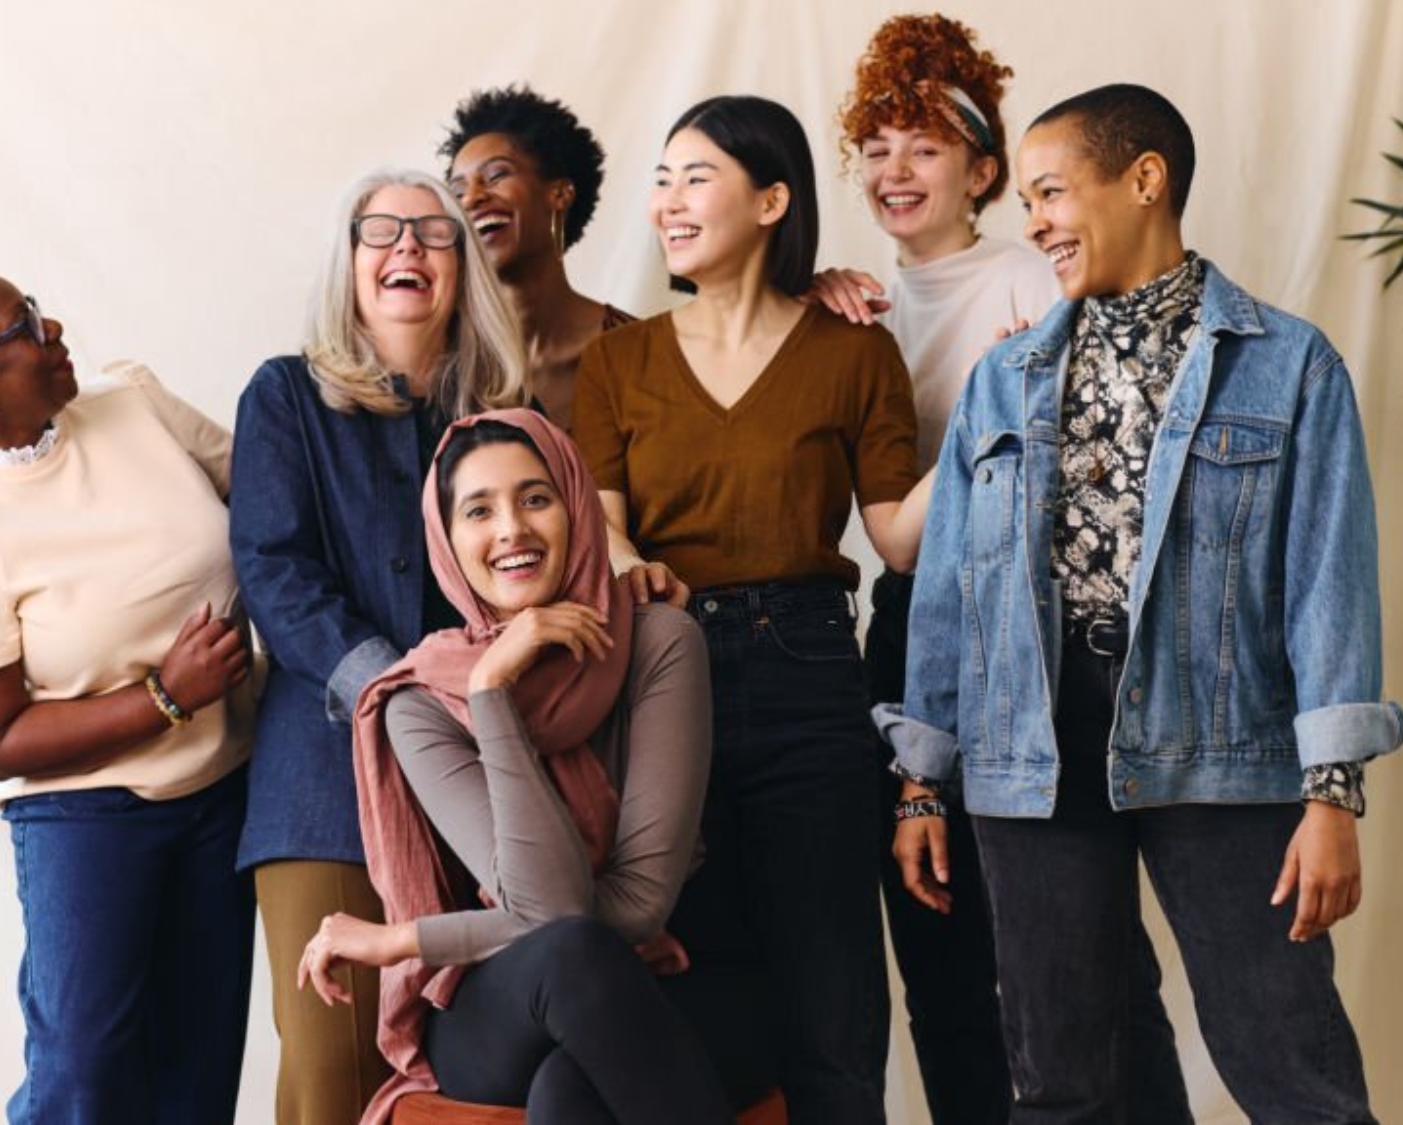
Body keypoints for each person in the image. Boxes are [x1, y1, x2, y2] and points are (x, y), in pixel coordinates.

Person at [881, 84, 1403, 1123]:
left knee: (1290, 1067)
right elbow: (948, 591)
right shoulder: (1002, 378)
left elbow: (1326, 584)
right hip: (1027, 748)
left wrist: (1330, 793)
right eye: (1026, 200)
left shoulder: (1287, 365)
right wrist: (919, 780)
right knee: (1060, 1084)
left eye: (1049, 193)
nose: (1032, 222)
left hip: (1218, 736)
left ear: (1144, 180)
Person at [819, 16, 1189, 1123]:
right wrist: (813, 307)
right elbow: (890, 538)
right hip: (908, 627)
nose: (894, 170)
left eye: (924, 147)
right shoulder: (846, 308)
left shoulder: (1044, 276)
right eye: (876, 146)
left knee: (1085, 951)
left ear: (983, 170)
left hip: (1031, 628)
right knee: (936, 949)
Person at [574, 94, 925, 1125]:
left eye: (697, 178)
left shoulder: (852, 350)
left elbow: (897, 533)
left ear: (771, 200)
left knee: (830, 997)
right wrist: (633, 561)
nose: (667, 203)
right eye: (662, 180)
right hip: (660, 672)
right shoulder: (616, 361)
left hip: (811, 673)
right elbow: (597, 524)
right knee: (692, 983)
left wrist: (1004, 398)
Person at [0, 231, 256, 1124]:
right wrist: (164, 696)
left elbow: (271, 502)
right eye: (26, 325)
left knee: (197, 1071)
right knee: (86, 1078)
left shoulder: (136, 408)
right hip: (87, 816)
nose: (54, 328)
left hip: (223, 791)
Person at [297, 408, 742, 1125]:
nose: (511, 529)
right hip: (496, 1003)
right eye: (479, 510)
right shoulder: (423, 699)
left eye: (536, 498)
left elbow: (635, 906)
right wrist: (490, 691)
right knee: (569, 955)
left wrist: (405, 940)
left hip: (657, 971)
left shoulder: (659, 642)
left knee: (570, 1090)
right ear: (447, 539)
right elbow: (556, 916)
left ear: (576, 506)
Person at [228, 168, 526, 1125]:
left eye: (434, 234)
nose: (407, 248)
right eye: (382, 231)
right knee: (330, 1069)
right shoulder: (285, 396)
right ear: (350, 261)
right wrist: (392, 686)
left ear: (464, 266)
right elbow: (271, 568)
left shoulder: (503, 421)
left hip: (479, 776)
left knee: (458, 1078)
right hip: (320, 785)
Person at [442, 85, 635, 431]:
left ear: (559, 193)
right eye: (457, 192)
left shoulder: (638, 349)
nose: (471, 198)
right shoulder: (442, 360)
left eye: (496, 175)